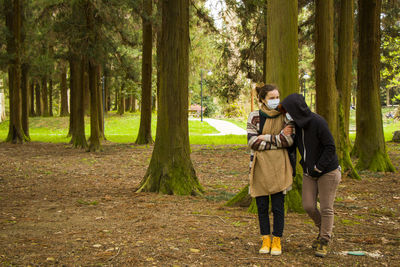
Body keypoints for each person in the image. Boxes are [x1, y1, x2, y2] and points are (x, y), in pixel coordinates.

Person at [280, 93, 341, 258]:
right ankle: (324, 231)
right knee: (308, 206)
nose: (287, 114)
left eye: (288, 110)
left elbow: (330, 147)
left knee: (327, 207)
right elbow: (292, 149)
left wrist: (319, 167)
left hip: (327, 171)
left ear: (297, 109)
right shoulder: (296, 126)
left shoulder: (318, 122)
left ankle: (324, 240)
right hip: (308, 172)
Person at [247, 84, 295, 256]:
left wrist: (265, 137)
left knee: (278, 206)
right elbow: (252, 142)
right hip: (259, 166)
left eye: (277, 97)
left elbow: (289, 141)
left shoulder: (285, 116)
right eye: (271, 98)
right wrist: (277, 139)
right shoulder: (254, 117)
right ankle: (265, 238)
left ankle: (277, 240)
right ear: (262, 100)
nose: (275, 101)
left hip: (279, 166)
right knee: (261, 206)